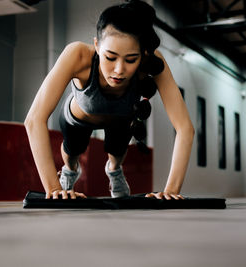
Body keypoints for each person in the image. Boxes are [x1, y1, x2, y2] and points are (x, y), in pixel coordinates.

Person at [24, 0, 194, 200]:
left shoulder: (152, 62)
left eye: (131, 60)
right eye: (110, 57)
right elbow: (34, 119)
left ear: (142, 55)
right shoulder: (77, 55)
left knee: (117, 151)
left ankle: (114, 170)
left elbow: (184, 128)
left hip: (120, 119)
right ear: (96, 45)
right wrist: (53, 189)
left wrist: (170, 192)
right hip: (79, 119)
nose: (119, 70)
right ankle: (70, 171)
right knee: (73, 151)